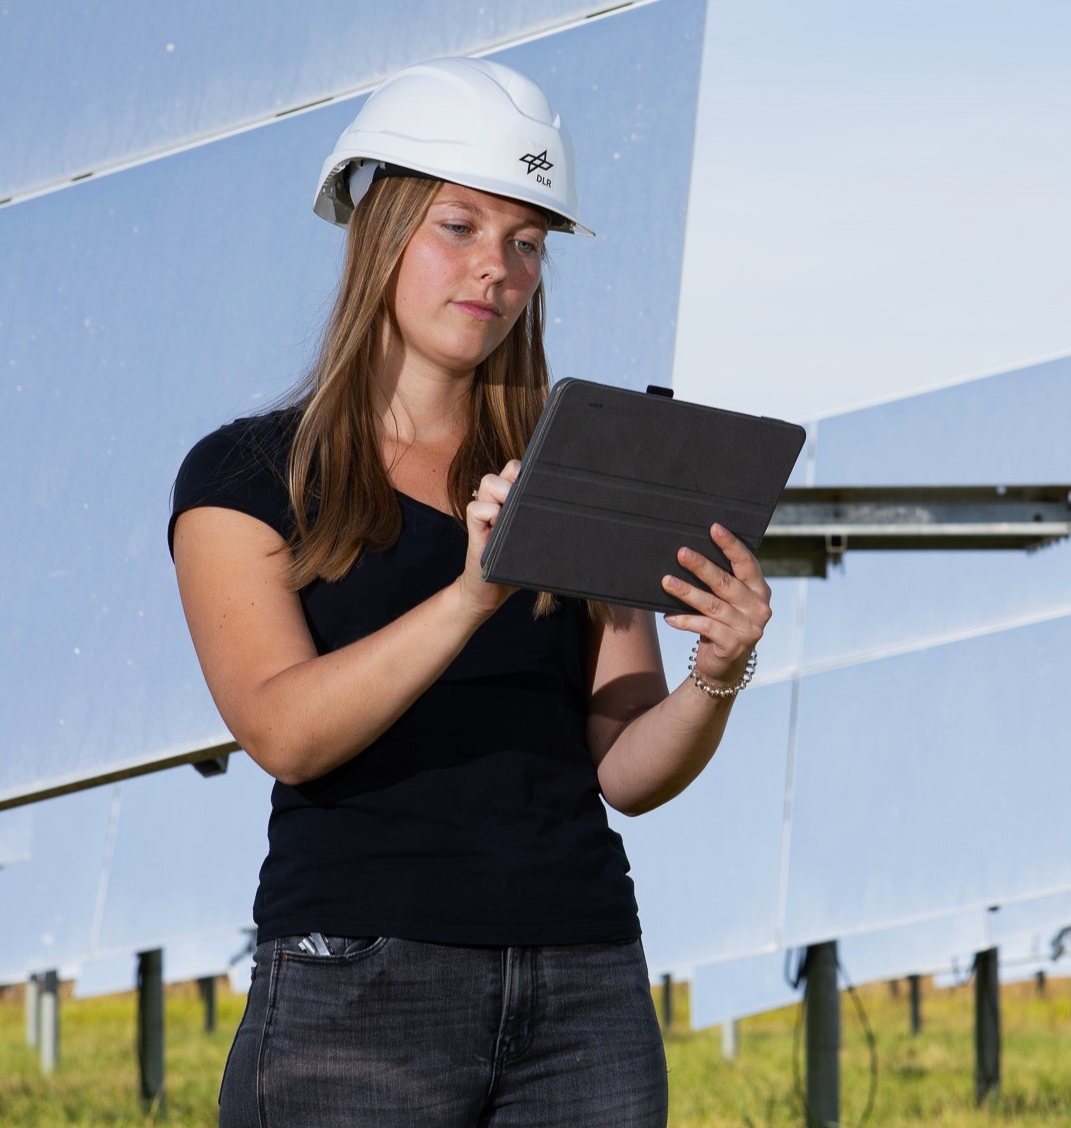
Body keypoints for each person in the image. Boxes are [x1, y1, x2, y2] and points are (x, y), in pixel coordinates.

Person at [167, 56, 771, 1126]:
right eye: (460, 227)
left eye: (525, 243)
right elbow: (285, 731)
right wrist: (469, 596)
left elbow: (624, 767)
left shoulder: (573, 474)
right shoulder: (246, 479)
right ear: (380, 232)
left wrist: (715, 676)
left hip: (581, 987)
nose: (495, 267)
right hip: (356, 989)